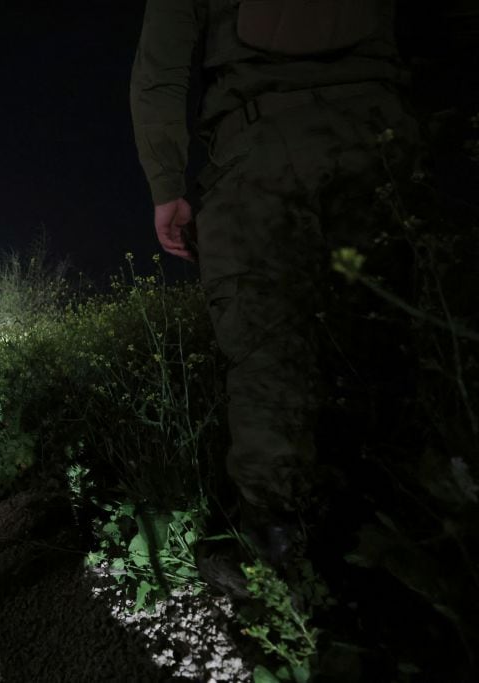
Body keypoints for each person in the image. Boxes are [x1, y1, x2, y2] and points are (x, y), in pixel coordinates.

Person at [130, 1, 419, 586]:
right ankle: (410, 522)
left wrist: (167, 184)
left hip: (260, 143)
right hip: (384, 129)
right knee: (395, 330)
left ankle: (275, 546)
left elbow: (160, 71)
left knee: (264, 346)